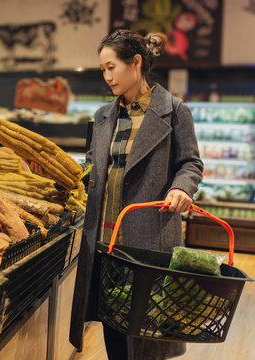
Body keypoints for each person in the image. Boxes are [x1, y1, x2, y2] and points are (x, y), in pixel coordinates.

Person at [69, 30, 204, 360]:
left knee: (148, 335)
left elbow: (190, 163)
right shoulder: (103, 116)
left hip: (149, 239)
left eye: (112, 67)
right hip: (104, 239)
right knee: (113, 327)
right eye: (103, 69)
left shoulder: (173, 111)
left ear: (136, 63)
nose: (107, 76)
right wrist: (67, 175)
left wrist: (180, 187)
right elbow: (92, 166)